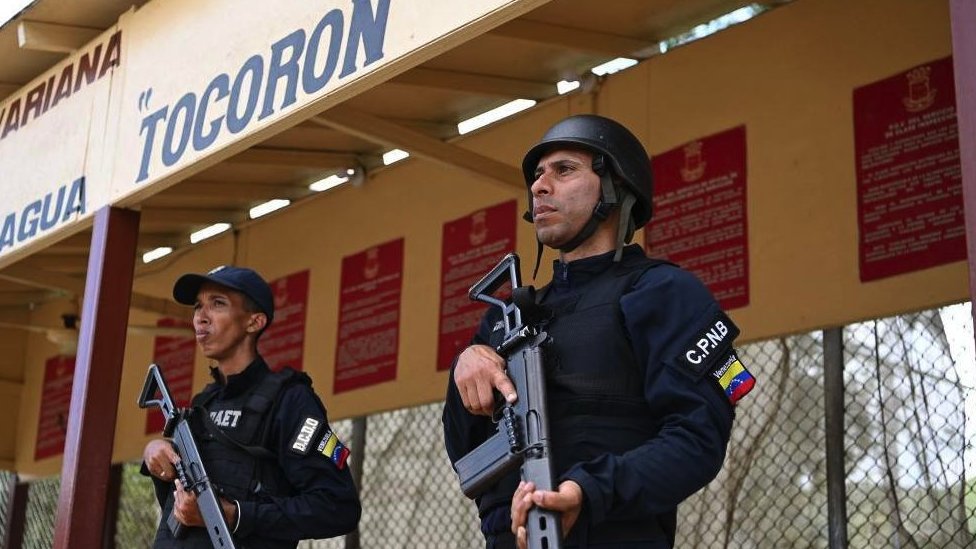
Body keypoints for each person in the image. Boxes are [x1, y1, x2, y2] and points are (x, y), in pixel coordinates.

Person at [442, 114, 755, 548]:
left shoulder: (662, 292)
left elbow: (697, 439)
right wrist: (465, 365)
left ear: (615, 187)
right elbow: (466, 451)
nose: (539, 186)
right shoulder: (505, 318)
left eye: (564, 170)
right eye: (537, 175)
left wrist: (586, 493)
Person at [142, 265, 361, 548]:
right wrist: (157, 453)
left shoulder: (290, 401)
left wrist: (236, 515)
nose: (200, 317)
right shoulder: (203, 404)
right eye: (198, 306)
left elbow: (337, 507)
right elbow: (179, 504)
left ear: (254, 322)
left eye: (217, 304)